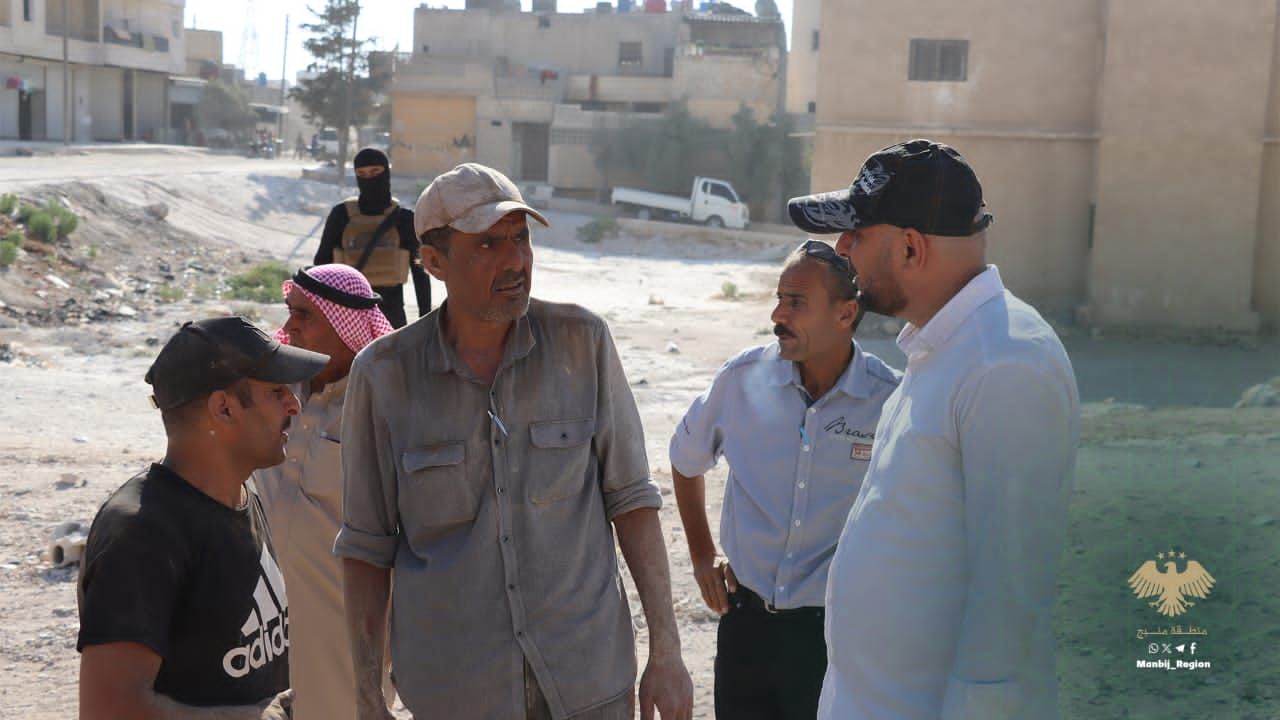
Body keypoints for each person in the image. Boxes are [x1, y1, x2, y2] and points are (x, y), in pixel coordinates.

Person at [336, 162, 694, 720]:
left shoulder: (583, 343)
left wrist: (666, 652)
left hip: (587, 681)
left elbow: (632, 500)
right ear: (434, 261)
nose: (515, 260)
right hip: (457, 694)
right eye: (487, 244)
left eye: (520, 238)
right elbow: (366, 547)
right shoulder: (384, 376)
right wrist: (366, 696)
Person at [787, 139, 1080, 719]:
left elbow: (1008, 607)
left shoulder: (1005, 363)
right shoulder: (945, 348)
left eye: (856, 234)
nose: (841, 249)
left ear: (911, 248)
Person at [670, 240, 899, 719]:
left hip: (834, 638)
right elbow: (685, 459)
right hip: (745, 630)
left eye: (796, 302)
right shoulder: (740, 380)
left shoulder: (889, 402)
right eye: (779, 298)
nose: (778, 314)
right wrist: (701, 556)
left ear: (846, 313)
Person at [77, 317, 330, 719]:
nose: (294, 405)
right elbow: (108, 709)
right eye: (276, 392)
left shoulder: (242, 496)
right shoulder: (143, 533)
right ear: (224, 408)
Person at [253, 265, 396, 720]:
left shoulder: (384, 405)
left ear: (343, 326)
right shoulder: (270, 391)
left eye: (304, 316)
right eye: (289, 311)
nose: (289, 326)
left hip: (341, 629)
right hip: (257, 621)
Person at [314, 147, 432, 329]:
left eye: (375, 172)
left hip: (391, 318)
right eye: (362, 174)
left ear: (386, 173)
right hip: (348, 315)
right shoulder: (341, 216)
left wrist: (426, 322)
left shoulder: (403, 219)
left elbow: (420, 274)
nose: (369, 179)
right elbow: (321, 267)